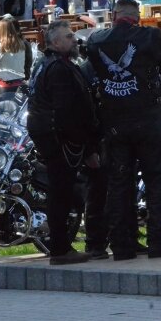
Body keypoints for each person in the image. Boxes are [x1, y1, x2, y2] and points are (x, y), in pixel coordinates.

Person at [87, 0, 161, 260]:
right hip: (147, 119)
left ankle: (122, 245)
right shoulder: (149, 36)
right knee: (156, 180)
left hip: (115, 122)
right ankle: (159, 241)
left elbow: (93, 69)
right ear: (136, 16)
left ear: (113, 14)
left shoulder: (96, 41)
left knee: (119, 184)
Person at [27, 20, 101, 264]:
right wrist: (86, 147)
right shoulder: (58, 67)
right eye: (69, 37)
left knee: (61, 191)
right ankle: (60, 248)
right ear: (56, 43)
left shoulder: (47, 63)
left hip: (52, 135)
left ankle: (61, 246)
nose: (75, 40)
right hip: (58, 139)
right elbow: (67, 112)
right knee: (61, 191)